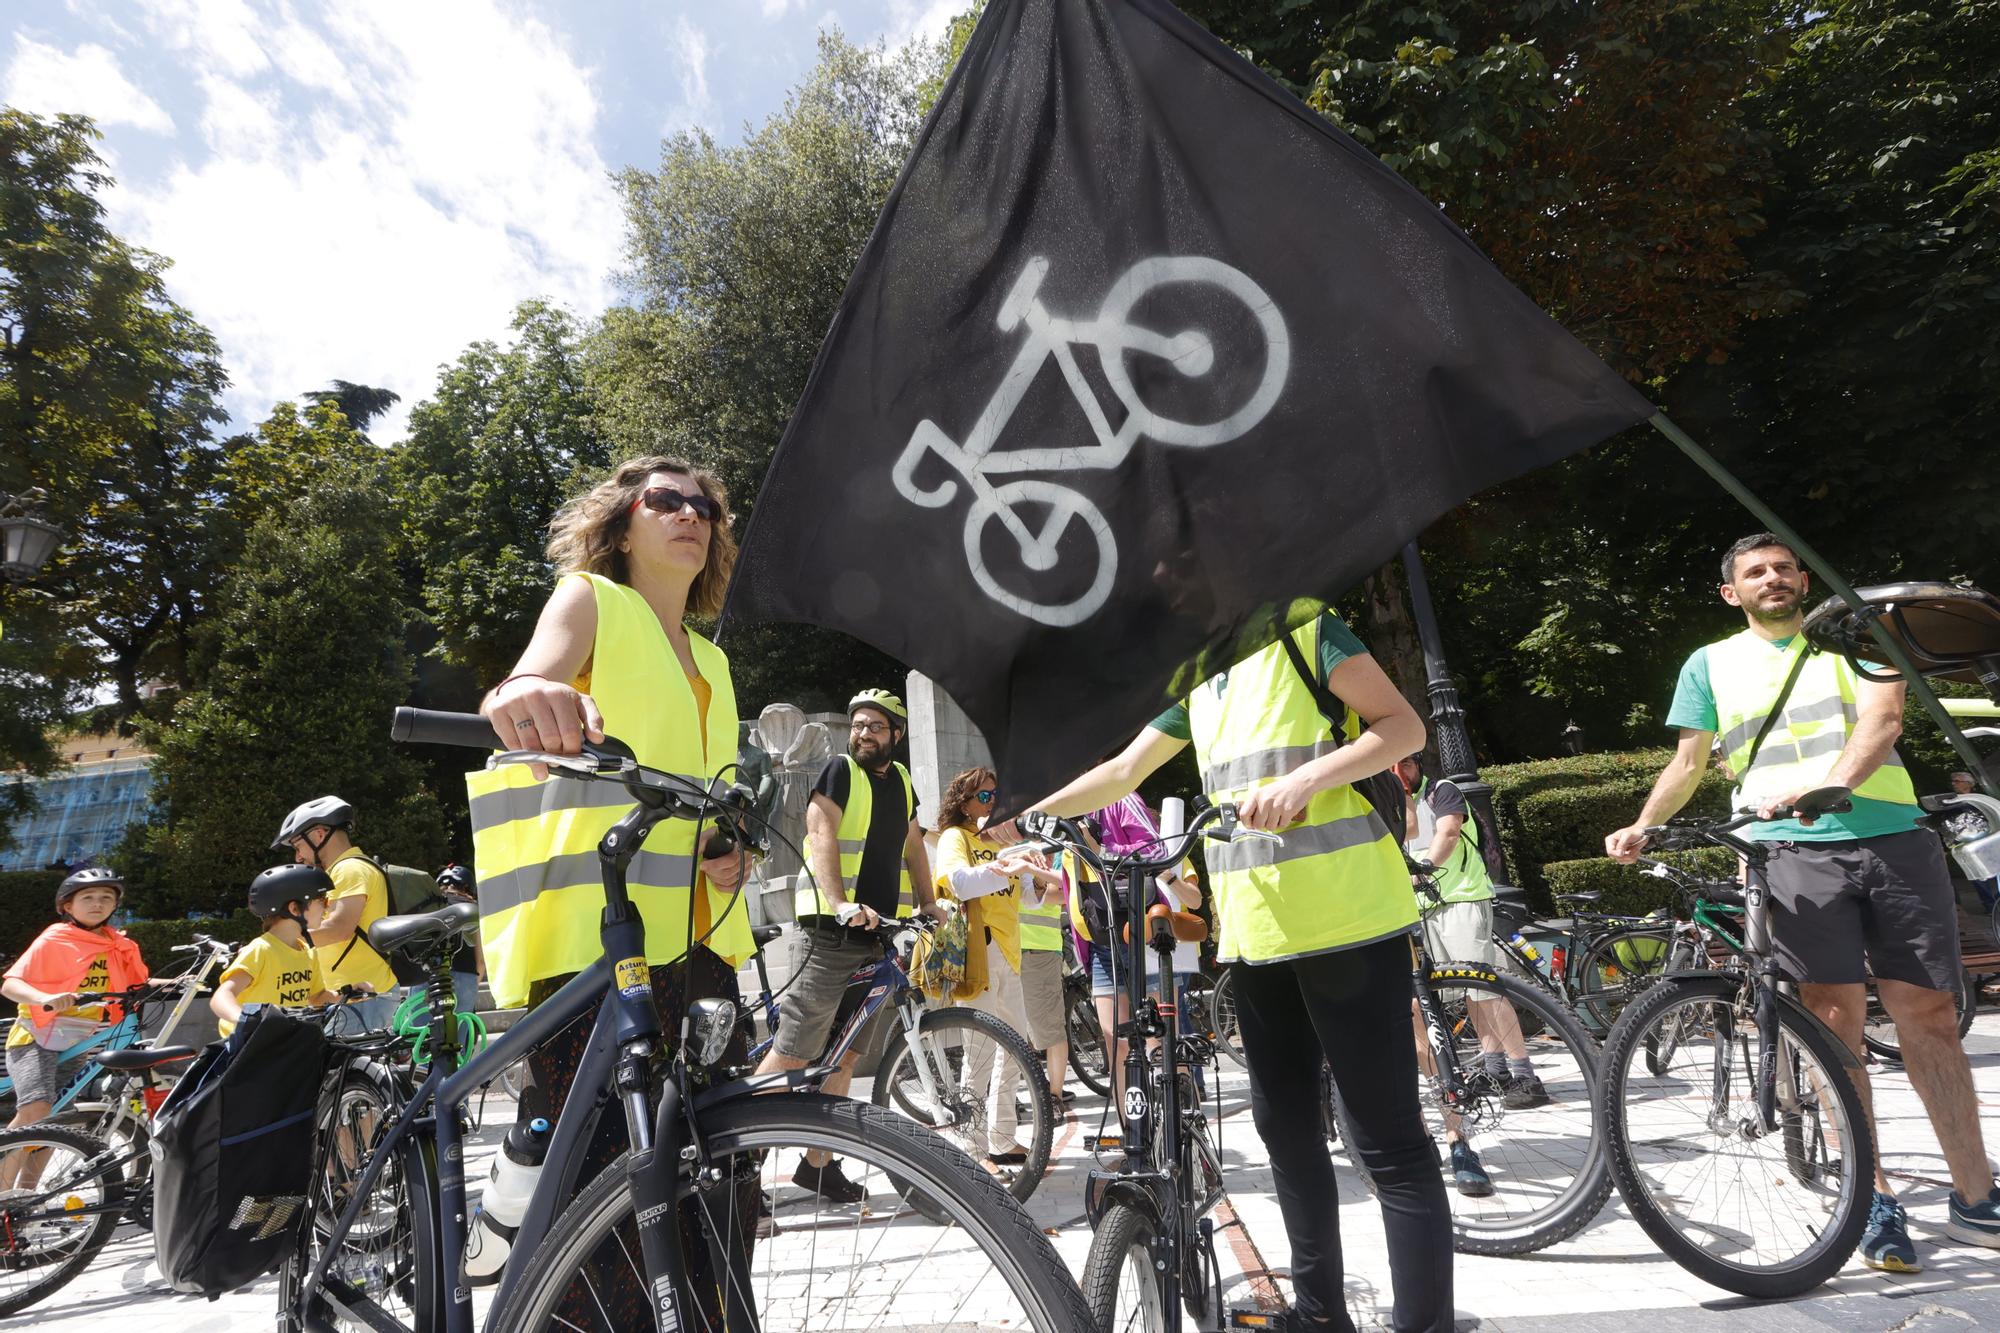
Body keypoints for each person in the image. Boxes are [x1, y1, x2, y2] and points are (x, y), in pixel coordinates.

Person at [1001, 610, 1450, 1333]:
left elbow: (1402, 728)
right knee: (1286, 1129)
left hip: (1349, 922)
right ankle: (1319, 1315)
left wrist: (1306, 778)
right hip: (1255, 936)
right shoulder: (1197, 674)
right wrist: (1023, 810)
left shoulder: (1307, 628)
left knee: (1387, 1141)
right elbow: (1122, 771)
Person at [1606, 531, 2000, 1270]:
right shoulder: (1710, 664)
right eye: (1755, 571)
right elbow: (1689, 759)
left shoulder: (1856, 636)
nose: (1773, 577)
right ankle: (1872, 1196)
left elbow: (1882, 721)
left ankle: (1976, 1197)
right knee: (1830, 1024)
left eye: (1785, 566)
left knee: (1933, 1016)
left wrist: (1837, 783)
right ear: (1733, 592)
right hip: (1785, 850)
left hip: (1893, 838)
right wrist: (1644, 821)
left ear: (1803, 579)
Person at [473, 455, 756, 1310]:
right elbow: (532, 674)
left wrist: (726, 846)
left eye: (704, 506)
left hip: (705, 947)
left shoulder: (715, 658)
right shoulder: (591, 599)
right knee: (609, 1195)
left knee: (722, 1176)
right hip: (599, 945)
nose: (690, 515)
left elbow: (710, 794)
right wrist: (525, 694)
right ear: (623, 523)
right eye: (664, 500)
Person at [755, 688, 939, 1201]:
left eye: (875, 727)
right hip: (830, 932)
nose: (862, 733)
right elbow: (821, 834)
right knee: (795, 1051)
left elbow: (913, 846)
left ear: (896, 736)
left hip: (878, 933)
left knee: (847, 1056)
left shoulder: (901, 781)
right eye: (857, 725)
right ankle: (739, 1168)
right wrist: (838, 901)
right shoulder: (840, 770)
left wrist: (928, 901)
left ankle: (818, 1164)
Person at [932, 766, 1053, 1159]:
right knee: (980, 1050)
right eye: (984, 796)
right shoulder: (956, 836)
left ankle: (1002, 1138)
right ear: (963, 803)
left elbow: (1027, 899)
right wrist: (1009, 867)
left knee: (1017, 1049)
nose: (992, 803)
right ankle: (971, 1144)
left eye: (995, 796)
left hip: (1010, 952)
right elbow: (957, 882)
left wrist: (1034, 877)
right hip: (979, 952)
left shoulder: (1005, 843)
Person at [2, 869, 147, 1136]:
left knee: (57, 1118)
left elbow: (131, 984)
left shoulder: (116, 944)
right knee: (36, 1109)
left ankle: (27, 1182)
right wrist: (44, 998)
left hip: (76, 1039)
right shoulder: (55, 938)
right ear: (67, 906)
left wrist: (180, 981)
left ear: (115, 905)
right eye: (88, 897)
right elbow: (11, 984)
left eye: (106, 897)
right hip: (35, 1036)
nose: (97, 903)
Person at [273, 796, 399, 1032]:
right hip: (347, 996)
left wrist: (278, 941)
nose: (298, 857)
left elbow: (338, 929)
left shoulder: (350, 869)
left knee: (338, 1069)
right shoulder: (340, 871)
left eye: (298, 846)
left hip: (362, 997)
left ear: (319, 835)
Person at [211, 864, 342, 1037]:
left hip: (281, 1041)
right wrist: (246, 1020)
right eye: (322, 901)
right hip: (249, 1046)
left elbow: (316, 997)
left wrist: (348, 993)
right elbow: (222, 996)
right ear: (294, 908)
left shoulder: (307, 951)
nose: (327, 908)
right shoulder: (261, 949)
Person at [1943, 772, 1997, 911]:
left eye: (1957, 781)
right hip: (1965, 844)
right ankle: (1990, 906)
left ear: (1969, 784)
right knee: (1976, 874)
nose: (1953, 783)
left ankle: (1996, 902)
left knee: (1995, 871)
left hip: (1986, 841)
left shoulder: (1979, 801)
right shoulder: (1950, 803)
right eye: (1953, 781)